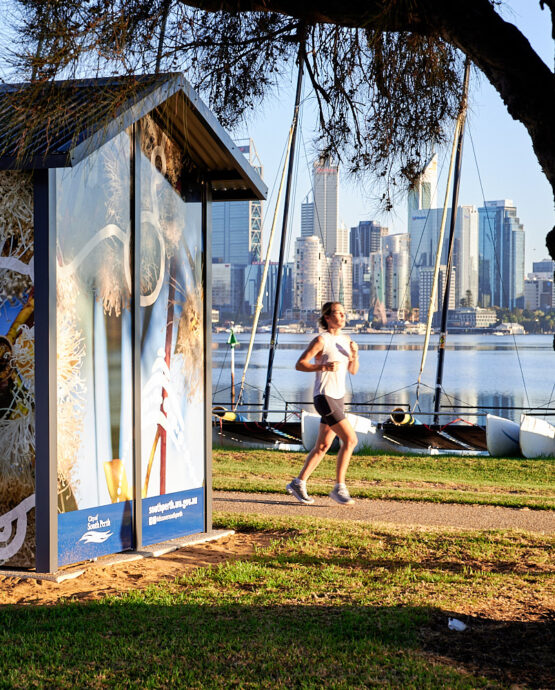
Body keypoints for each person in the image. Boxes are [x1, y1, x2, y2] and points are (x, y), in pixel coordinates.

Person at [286, 302, 359, 505]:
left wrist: (354, 355)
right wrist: (323, 366)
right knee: (351, 440)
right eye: (338, 313)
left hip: (338, 397)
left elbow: (353, 370)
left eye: (344, 313)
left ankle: (298, 483)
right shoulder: (321, 340)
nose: (343, 316)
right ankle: (339, 488)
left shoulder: (346, 340)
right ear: (327, 317)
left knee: (323, 445)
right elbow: (300, 364)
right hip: (324, 397)